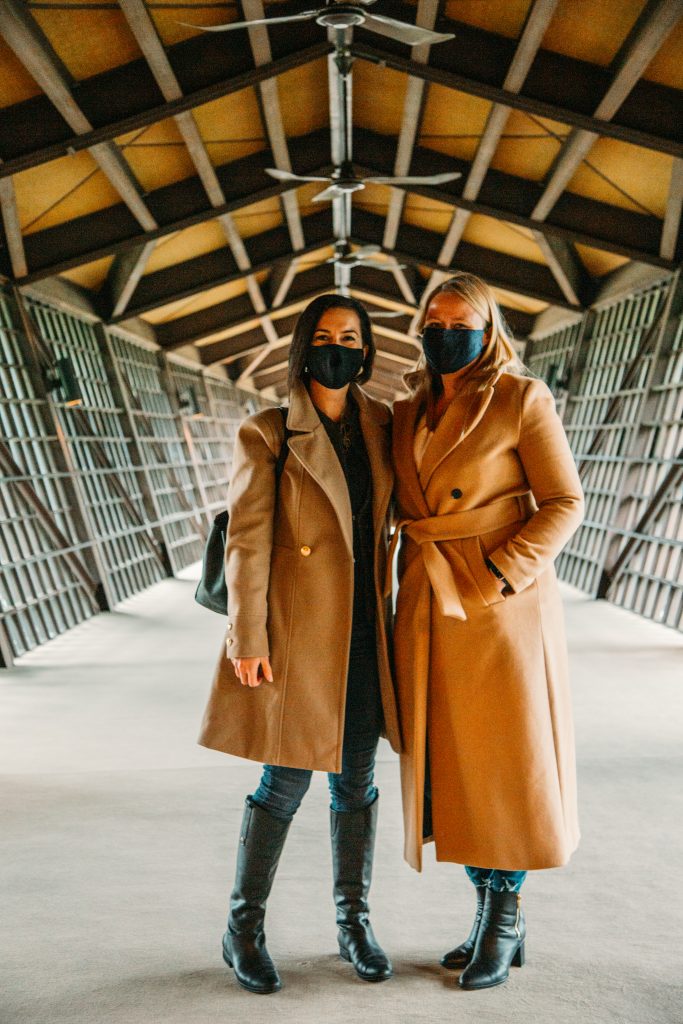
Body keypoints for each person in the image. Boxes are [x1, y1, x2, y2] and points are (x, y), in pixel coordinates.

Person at [198, 294, 401, 995]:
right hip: (297, 634)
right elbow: (248, 544)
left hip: (367, 635)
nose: (337, 348)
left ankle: (353, 923)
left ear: (368, 351)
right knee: (283, 782)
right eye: (324, 336)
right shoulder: (269, 432)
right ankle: (242, 930)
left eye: (350, 337)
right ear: (302, 346)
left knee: (355, 783)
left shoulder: (383, 425)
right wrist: (245, 635)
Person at [389, 271, 584, 991]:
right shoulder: (408, 408)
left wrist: (502, 572)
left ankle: (503, 919)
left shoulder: (520, 396)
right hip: (425, 603)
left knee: (502, 765)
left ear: (488, 326)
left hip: (497, 607)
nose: (445, 336)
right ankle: (487, 916)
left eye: (460, 323)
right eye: (433, 324)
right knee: (456, 768)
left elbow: (564, 500)